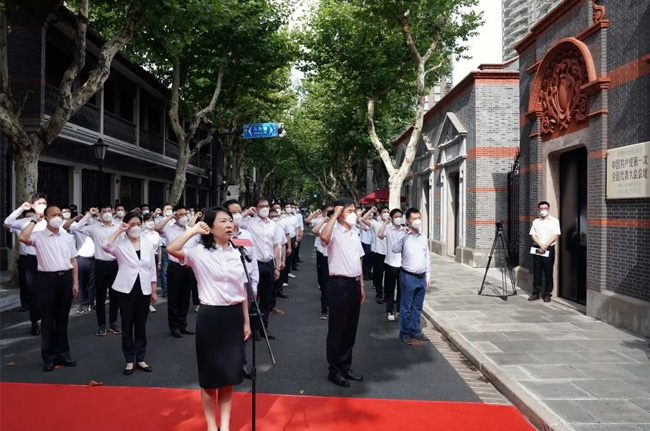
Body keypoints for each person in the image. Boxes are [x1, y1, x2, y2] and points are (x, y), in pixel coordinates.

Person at [166, 207, 251, 431]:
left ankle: (225, 426)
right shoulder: (198, 253)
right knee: (210, 378)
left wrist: (246, 321)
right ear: (210, 227)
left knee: (229, 377)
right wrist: (193, 230)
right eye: (222, 221)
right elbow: (172, 249)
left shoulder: (237, 252)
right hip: (210, 317)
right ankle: (212, 427)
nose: (229, 225)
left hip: (234, 317)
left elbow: (242, 289)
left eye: (230, 221)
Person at [19, 205, 79, 372]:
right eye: (54, 215)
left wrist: (75, 282)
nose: (58, 217)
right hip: (46, 280)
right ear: (46, 217)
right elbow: (23, 238)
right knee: (47, 319)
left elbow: (73, 260)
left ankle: (63, 354)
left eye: (60, 214)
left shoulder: (67, 237)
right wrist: (33, 220)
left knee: (62, 319)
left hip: (65, 279)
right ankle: (49, 357)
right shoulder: (38, 236)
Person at [103, 212, 157, 375]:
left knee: (141, 325)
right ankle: (129, 360)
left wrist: (153, 289)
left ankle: (140, 358)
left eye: (138, 224)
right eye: (132, 224)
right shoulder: (120, 244)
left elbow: (152, 267)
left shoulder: (147, 243)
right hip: (125, 289)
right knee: (127, 325)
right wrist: (119, 230)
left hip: (144, 288)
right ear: (125, 225)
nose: (136, 227)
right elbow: (105, 246)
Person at [320, 198, 365, 388]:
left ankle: (346, 366)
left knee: (350, 328)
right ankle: (335, 370)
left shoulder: (354, 231)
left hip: (354, 283)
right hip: (339, 284)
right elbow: (324, 237)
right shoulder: (334, 231)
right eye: (350, 211)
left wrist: (361, 285)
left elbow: (358, 259)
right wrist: (335, 215)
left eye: (354, 211)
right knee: (337, 328)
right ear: (340, 213)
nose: (354, 214)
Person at [4, 193, 51, 335]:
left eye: (44, 203)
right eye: (39, 203)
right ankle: (35, 322)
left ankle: (47, 321)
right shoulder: (25, 222)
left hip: (48, 259)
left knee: (48, 292)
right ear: (32, 205)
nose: (42, 206)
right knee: (34, 293)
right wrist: (20, 209)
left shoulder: (50, 221)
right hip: (31, 260)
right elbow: (7, 222)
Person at [73, 205, 122, 336]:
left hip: (115, 264)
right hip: (100, 264)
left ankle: (113, 323)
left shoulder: (119, 226)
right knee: (100, 297)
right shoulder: (94, 228)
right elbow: (77, 227)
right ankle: (101, 325)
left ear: (113, 212)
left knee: (115, 296)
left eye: (109, 211)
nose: (107, 213)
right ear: (100, 214)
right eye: (104, 211)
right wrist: (89, 214)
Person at [240, 197, 283, 340]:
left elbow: (276, 246)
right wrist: (247, 212)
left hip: (269, 264)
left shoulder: (274, 225)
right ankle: (254, 328)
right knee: (254, 297)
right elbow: (234, 223)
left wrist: (277, 267)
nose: (264, 208)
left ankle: (264, 327)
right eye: (261, 206)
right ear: (256, 208)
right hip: (255, 264)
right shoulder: (249, 223)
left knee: (267, 298)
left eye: (266, 205)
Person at [155, 205, 199, 338]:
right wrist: (170, 217)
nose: (184, 217)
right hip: (174, 266)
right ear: (175, 216)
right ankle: (174, 327)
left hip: (188, 266)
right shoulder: (169, 228)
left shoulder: (191, 230)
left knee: (185, 298)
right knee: (174, 298)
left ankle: (183, 324)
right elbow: (157, 228)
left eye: (185, 214)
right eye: (180, 214)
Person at [392, 208, 431, 345]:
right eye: (414, 219)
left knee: (417, 307)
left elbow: (426, 256)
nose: (417, 221)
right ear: (408, 220)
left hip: (421, 276)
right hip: (408, 276)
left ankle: (416, 331)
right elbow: (395, 249)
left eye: (419, 218)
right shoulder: (404, 235)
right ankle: (405, 332)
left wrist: (428, 275)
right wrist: (402, 234)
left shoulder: (423, 237)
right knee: (406, 307)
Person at [63, 208, 96, 314]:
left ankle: (91, 303)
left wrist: (94, 217)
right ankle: (83, 304)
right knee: (82, 283)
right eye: (86, 216)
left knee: (92, 284)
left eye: (90, 216)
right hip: (81, 259)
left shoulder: (94, 228)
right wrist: (76, 218)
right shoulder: (77, 229)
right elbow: (65, 227)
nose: (88, 218)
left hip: (93, 259)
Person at [529, 201, 561, 303]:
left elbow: (555, 235)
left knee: (548, 271)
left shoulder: (554, 221)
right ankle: (536, 293)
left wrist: (546, 245)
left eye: (545, 208)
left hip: (549, 248)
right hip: (537, 248)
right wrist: (540, 244)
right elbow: (532, 235)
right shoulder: (536, 222)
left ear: (548, 209)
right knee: (537, 271)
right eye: (541, 208)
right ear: (538, 209)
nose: (543, 210)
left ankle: (547, 294)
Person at [378, 208, 403, 321]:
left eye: (400, 216)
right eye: (396, 217)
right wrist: (385, 222)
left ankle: (399, 310)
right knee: (390, 289)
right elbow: (380, 235)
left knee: (401, 289)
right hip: (390, 263)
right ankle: (390, 310)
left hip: (402, 264)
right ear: (392, 218)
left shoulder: (405, 230)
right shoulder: (388, 229)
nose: (398, 219)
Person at [361, 206, 389, 305]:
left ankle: (388, 294)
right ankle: (379, 293)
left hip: (389, 254)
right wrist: (370, 211)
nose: (386, 213)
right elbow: (363, 219)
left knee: (388, 276)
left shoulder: (392, 225)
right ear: (380, 214)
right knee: (378, 275)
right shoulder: (376, 224)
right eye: (384, 212)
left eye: (387, 211)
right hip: (378, 253)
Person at [312, 207, 334, 320]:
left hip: (338, 261)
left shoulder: (341, 228)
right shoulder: (325, 226)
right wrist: (323, 221)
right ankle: (324, 310)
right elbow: (314, 231)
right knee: (326, 285)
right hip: (326, 258)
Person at [142, 212, 162, 313]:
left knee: (153, 280)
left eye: (152, 220)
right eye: (148, 220)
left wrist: (159, 262)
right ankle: (145, 303)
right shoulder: (141, 234)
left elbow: (159, 249)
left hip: (154, 258)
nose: (150, 222)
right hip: (143, 258)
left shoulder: (156, 234)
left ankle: (150, 301)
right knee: (145, 280)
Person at [359, 208, 373, 280]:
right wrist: (363, 211)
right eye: (369, 214)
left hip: (372, 243)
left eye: (371, 214)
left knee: (370, 260)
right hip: (365, 242)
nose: (370, 215)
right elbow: (358, 218)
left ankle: (369, 273)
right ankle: (365, 274)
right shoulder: (362, 221)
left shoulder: (373, 222)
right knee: (365, 259)